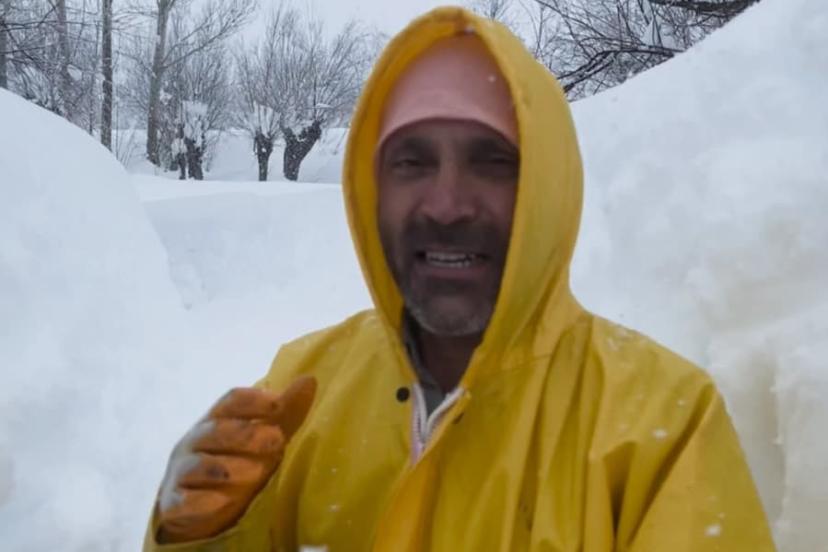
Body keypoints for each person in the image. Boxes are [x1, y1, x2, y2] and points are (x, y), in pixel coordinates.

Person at [144, 7, 776, 551]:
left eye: (492, 161)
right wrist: (199, 535)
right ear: (372, 190)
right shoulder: (300, 394)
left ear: (546, 188)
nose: (446, 205)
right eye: (412, 161)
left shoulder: (663, 423)